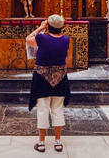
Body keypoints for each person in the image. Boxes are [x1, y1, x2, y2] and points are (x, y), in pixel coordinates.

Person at [27, 15, 70, 153]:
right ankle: (58, 142)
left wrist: (40, 27)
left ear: (48, 26)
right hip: (60, 77)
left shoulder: (42, 38)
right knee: (57, 109)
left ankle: (41, 143)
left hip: (42, 77)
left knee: (43, 109)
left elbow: (28, 39)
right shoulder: (66, 40)